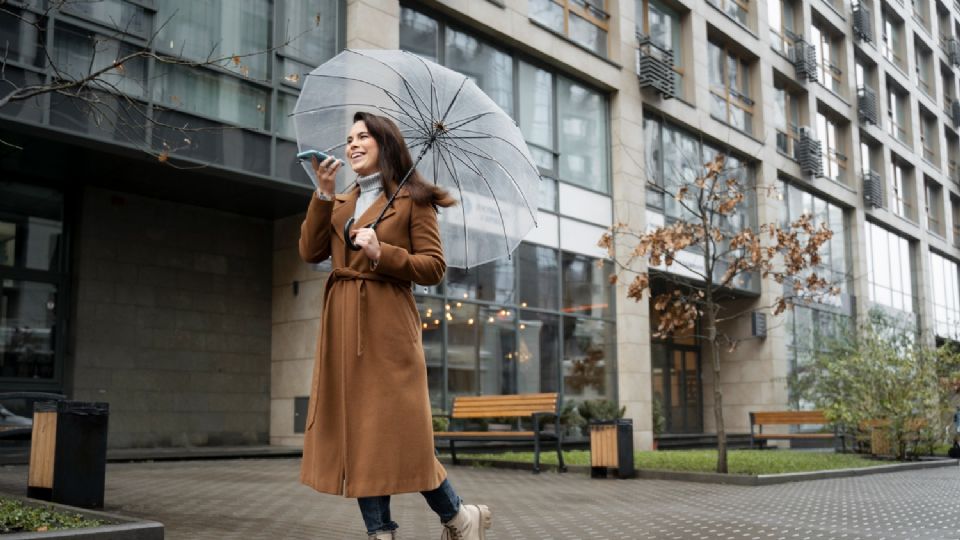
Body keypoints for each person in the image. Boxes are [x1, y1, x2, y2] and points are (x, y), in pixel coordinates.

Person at [298, 111, 493, 540]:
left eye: (362, 136)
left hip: (388, 331)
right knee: (362, 435)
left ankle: (452, 518)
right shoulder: (342, 199)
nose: (351, 144)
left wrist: (381, 251)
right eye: (348, 138)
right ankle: (435, 524)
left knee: (398, 436)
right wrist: (322, 194)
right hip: (343, 329)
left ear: (384, 144)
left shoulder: (413, 200)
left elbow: (433, 266)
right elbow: (310, 252)